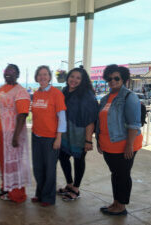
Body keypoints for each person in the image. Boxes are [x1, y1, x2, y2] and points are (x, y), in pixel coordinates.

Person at [96, 64, 142, 216]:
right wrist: (99, 141)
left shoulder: (129, 97)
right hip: (108, 146)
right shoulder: (104, 99)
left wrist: (129, 145)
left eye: (116, 78)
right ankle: (115, 202)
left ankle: (121, 207)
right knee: (115, 174)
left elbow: (134, 124)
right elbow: (101, 122)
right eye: (109, 79)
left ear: (124, 79)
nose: (112, 81)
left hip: (124, 145)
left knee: (122, 174)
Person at [0, 64, 31, 203]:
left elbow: (23, 115)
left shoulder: (21, 91)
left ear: (17, 74)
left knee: (13, 165)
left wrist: (16, 136)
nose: (8, 74)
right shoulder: (2, 88)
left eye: (12, 72)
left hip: (9, 134)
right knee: (3, 163)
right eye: (6, 71)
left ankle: (17, 195)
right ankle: (6, 187)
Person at [57, 67, 98, 201]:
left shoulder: (87, 94)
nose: (74, 80)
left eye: (78, 78)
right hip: (65, 132)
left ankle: (76, 188)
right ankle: (69, 184)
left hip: (80, 133)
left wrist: (88, 140)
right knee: (63, 158)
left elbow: (91, 119)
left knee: (78, 160)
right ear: (68, 77)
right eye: (72, 76)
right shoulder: (65, 91)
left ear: (83, 80)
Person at [31, 65, 66, 207]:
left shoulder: (56, 93)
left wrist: (58, 137)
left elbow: (62, 117)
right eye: (40, 74)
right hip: (36, 136)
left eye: (45, 74)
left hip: (50, 137)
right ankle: (39, 194)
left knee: (50, 169)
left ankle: (48, 197)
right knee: (38, 167)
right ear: (37, 77)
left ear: (50, 77)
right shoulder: (36, 93)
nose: (42, 77)